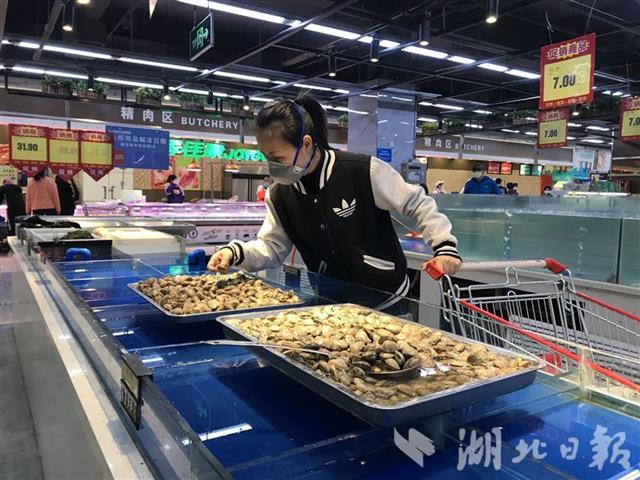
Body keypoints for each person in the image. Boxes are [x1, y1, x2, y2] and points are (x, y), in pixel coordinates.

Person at [208, 96, 461, 298]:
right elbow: (272, 247)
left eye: (278, 158)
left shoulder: (362, 170)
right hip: (332, 304)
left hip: (387, 298)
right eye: (266, 157)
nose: (272, 166)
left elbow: (417, 203)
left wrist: (444, 247)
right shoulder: (279, 195)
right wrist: (235, 252)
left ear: (307, 143)